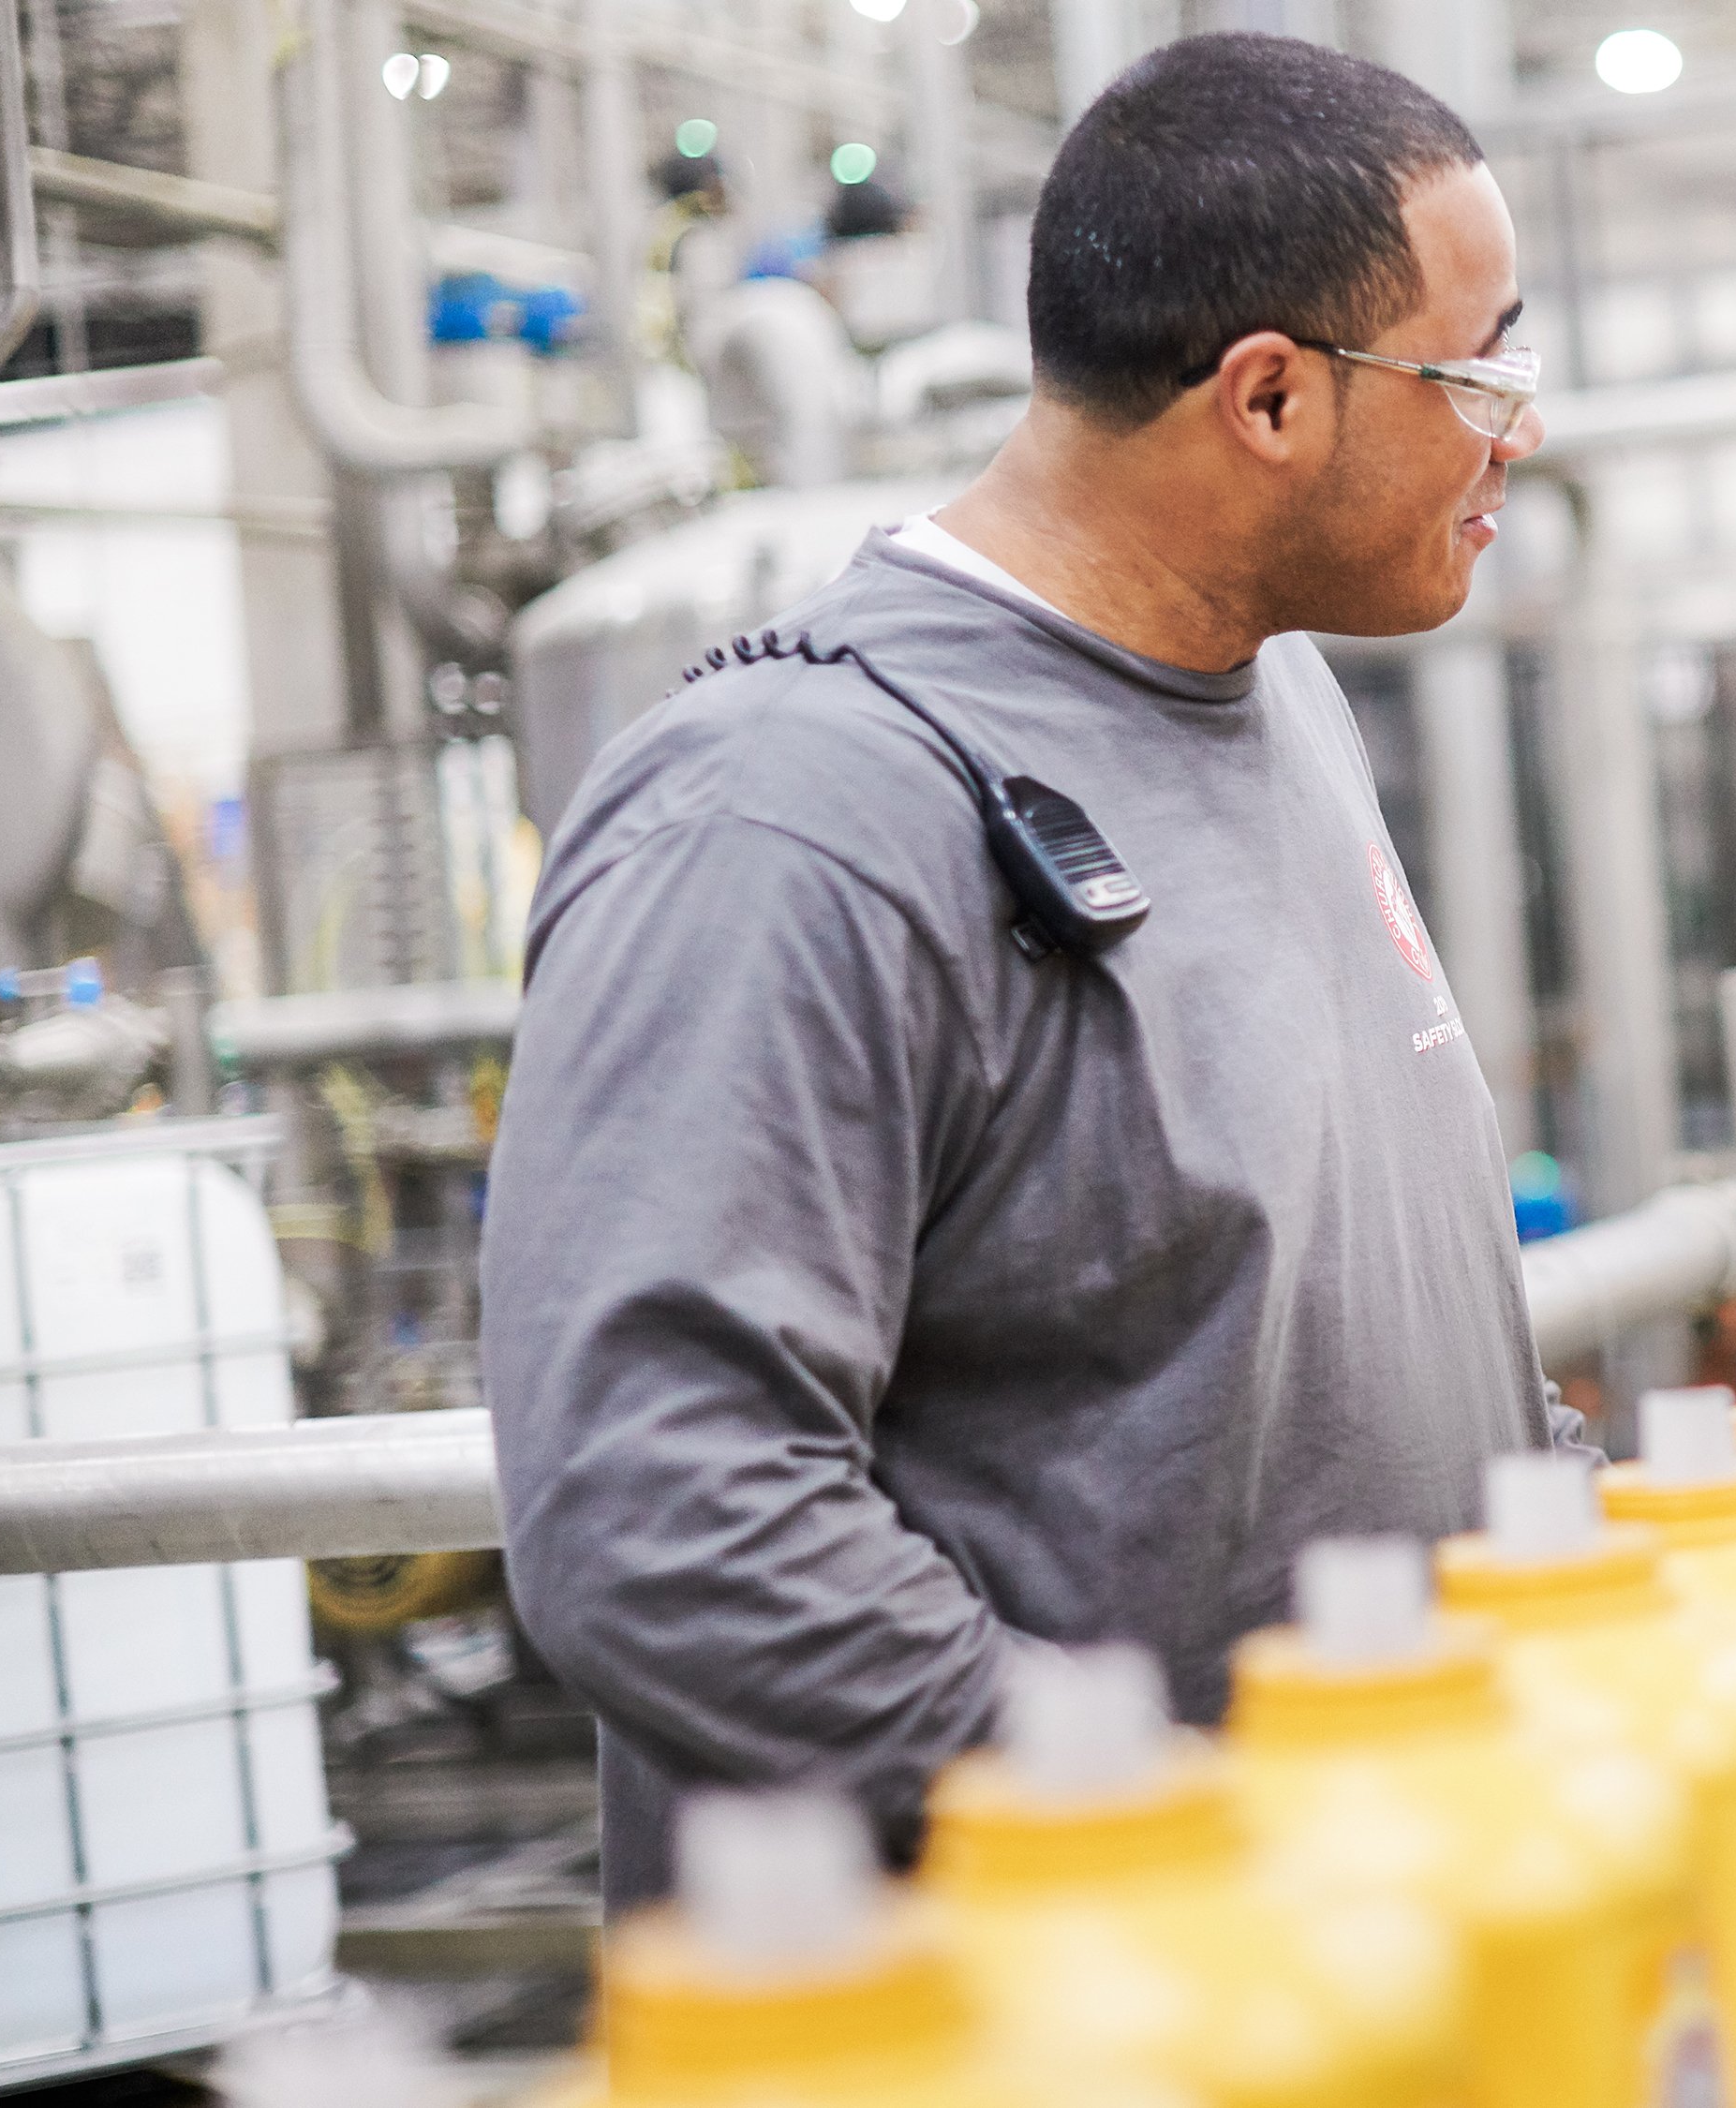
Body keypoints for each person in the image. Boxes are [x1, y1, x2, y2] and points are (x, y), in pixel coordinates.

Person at [483, 33, 1573, 1907]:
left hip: (1372, 1948)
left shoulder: (1277, 696)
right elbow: (666, 1516)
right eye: (1479, 370)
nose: (1519, 430)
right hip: (1051, 1993)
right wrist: (1155, 1822)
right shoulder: (803, 809)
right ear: (1266, 401)